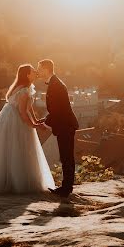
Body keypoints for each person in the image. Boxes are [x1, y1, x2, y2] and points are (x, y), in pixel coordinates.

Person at [0, 64, 55, 193]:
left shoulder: (24, 88)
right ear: (27, 75)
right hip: (15, 120)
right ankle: (15, 182)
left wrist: (35, 119)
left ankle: (9, 180)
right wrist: (33, 125)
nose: (36, 73)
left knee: (11, 148)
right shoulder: (24, 91)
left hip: (7, 117)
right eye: (33, 71)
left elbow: (29, 107)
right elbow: (22, 112)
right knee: (18, 147)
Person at [37, 58, 79, 197]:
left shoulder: (55, 85)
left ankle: (66, 189)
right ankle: (67, 187)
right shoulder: (55, 83)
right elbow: (56, 110)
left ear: (46, 69)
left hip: (65, 125)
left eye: (40, 68)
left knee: (66, 157)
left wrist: (46, 122)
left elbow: (57, 110)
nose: (38, 71)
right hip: (64, 124)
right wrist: (46, 119)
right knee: (66, 157)